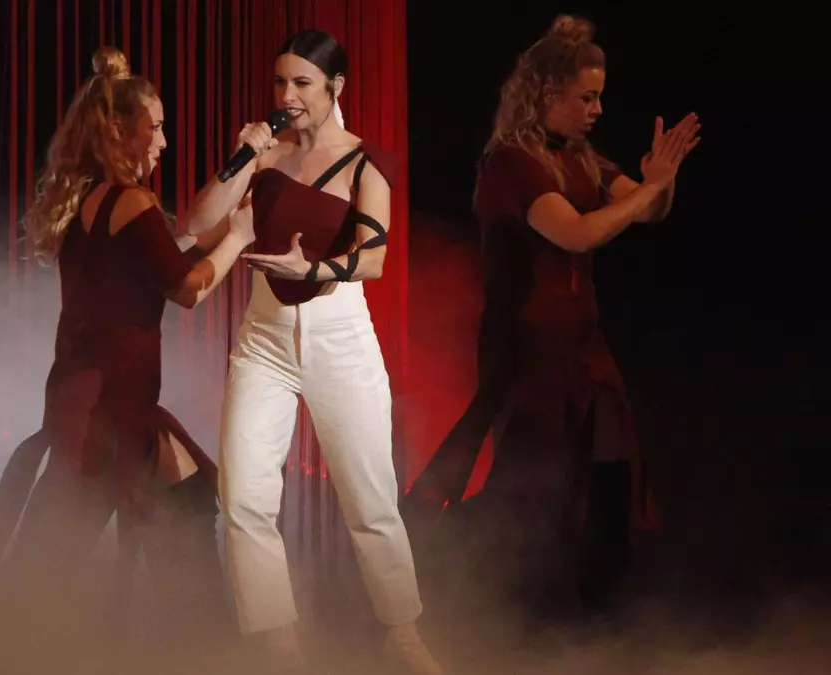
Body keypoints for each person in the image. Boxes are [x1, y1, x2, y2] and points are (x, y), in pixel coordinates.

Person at [0, 47, 256, 650]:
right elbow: (188, 287)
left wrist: (238, 193)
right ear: (120, 130)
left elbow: (176, 246)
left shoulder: (96, 199)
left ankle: (200, 646)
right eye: (155, 126)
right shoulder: (129, 202)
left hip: (102, 401)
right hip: (106, 410)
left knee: (179, 504)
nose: (163, 140)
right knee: (58, 557)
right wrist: (240, 239)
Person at [402, 15, 700, 619]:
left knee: (608, 468)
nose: (597, 110)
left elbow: (647, 211)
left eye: (600, 97)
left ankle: (594, 609)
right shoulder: (511, 163)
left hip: (581, 342)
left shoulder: (583, 158)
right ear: (546, 94)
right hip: (527, 347)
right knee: (534, 481)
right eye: (586, 97)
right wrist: (649, 191)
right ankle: (497, 604)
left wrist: (660, 183)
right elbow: (577, 233)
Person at [186, 29, 442, 674]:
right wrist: (242, 158)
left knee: (369, 499)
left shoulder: (365, 161)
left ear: (336, 87)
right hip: (264, 339)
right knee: (243, 497)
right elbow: (196, 225)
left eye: (301, 82)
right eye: (280, 82)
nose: (287, 95)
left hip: (339, 338)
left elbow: (375, 259)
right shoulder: (264, 158)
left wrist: (314, 269)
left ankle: (402, 634)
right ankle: (279, 646)